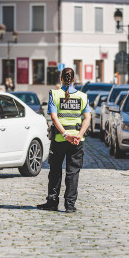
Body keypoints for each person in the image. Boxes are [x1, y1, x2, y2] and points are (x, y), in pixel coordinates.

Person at [37, 68, 90, 213]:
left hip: (60, 139)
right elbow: (88, 118)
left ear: (61, 78)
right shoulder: (83, 96)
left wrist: (66, 134)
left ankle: (52, 202)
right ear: (74, 79)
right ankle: (70, 205)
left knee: (55, 171)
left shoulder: (54, 94)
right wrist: (79, 135)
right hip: (77, 141)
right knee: (73, 172)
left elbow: (54, 117)